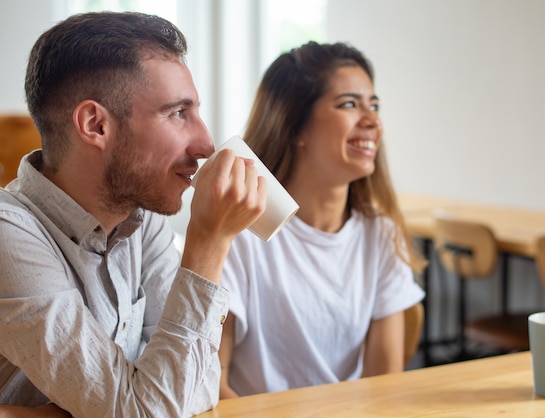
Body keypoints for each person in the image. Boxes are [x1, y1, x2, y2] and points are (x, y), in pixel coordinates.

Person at [0, 11, 266, 417]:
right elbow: (146, 412)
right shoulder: (9, 236)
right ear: (95, 124)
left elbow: (199, 385)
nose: (206, 144)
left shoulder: (143, 219)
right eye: (179, 113)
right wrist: (209, 241)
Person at [218, 41, 426, 398]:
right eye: (349, 104)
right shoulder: (240, 234)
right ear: (296, 126)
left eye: (374, 105)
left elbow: (384, 387)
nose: (373, 120)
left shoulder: (380, 234)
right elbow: (211, 385)